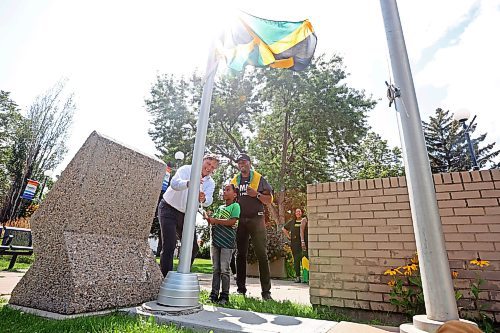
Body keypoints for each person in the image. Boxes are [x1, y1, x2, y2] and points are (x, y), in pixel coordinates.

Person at [158, 153, 219, 277]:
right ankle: (164, 279)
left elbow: (208, 201)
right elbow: (174, 184)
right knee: (170, 244)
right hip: (168, 208)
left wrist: (203, 198)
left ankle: (181, 275)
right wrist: (189, 183)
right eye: (208, 164)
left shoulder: (210, 183)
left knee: (193, 247)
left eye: (213, 167)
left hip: (187, 215)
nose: (209, 168)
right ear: (202, 160)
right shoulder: (186, 169)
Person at [230, 153, 274, 300]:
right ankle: (241, 289)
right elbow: (229, 199)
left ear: (249, 163)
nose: (241, 164)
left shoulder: (258, 178)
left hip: (257, 220)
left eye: (243, 162)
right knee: (240, 255)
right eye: (239, 162)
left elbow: (268, 200)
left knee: (262, 254)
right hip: (241, 220)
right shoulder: (234, 180)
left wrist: (257, 195)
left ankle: (266, 292)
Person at [204, 183, 240, 305]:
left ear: (234, 194)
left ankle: (224, 296)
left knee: (224, 269)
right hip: (215, 242)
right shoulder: (219, 208)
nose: (224, 192)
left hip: (227, 243)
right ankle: (213, 294)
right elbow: (214, 222)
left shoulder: (235, 206)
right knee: (216, 269)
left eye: (228, 190)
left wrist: (216, 221)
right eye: (224, 190)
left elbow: (232, 222)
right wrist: (209, 219)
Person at [282, 208, 308, 283]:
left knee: (306, 258)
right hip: (295, 243)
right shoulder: (292, 222)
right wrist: (288, 236)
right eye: (296, 212)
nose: (298, 213)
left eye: (299, 211)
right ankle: (297, 277)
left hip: (304, 242)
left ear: (302, 213)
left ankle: (306, 276)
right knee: (296, 259)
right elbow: (284, 228)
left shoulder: (305, 220)